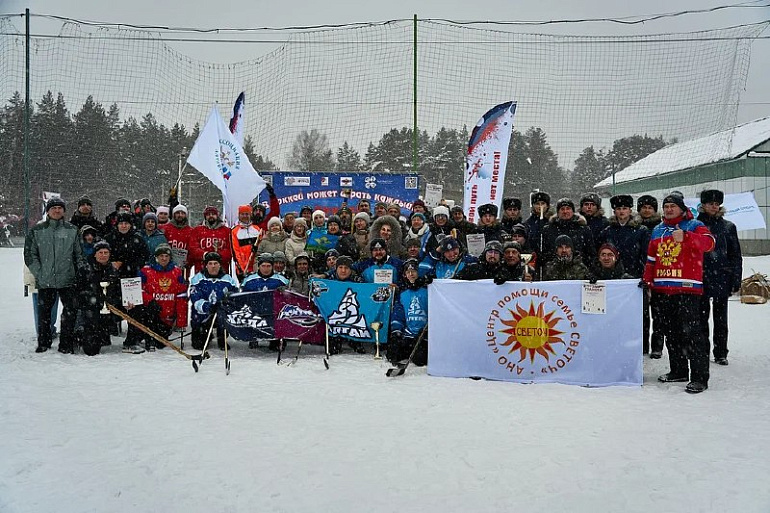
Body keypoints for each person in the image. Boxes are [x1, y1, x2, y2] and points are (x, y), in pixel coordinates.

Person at [642, 192, 715, 394]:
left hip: (687, 290)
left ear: (682, 209)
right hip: (662, 290)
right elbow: (651, 259)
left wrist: (687, 238)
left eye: (673, 206)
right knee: (671, 334)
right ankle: (679, 370)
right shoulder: (657, 230)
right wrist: (648, 279)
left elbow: (709, 243)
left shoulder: (694, 226)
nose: (669, 209)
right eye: (666, 206)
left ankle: (699, 377)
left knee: (693, 335)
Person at [24, 197, 84, 353]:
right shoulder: (37, 231)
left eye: (60, 208)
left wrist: (79, 271)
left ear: (64, 210)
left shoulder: (72, 230)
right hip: (46, 280)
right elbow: (30, 254)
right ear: (48, 211)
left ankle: (66, 343)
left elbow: (79, 254)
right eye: (53, 208)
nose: (57, 211)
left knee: (69, 313)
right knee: (44, 314)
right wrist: (40, 273)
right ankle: (44, 342)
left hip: (68, 279)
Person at [697, 189, 742, 366]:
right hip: (700, 277)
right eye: (710, 204)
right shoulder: (695, 225)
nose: (713, 207)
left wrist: (736, 277)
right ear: (703, 205)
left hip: (722, 276)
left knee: (721, 318)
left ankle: (721, 352)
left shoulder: (728, 227)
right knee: (700, 318)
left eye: (716, 204)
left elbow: (735, 255)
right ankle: (701, 350)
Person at [123, 243, 188, 353]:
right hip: (148, 313)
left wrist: (181, 322)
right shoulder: (146, 271)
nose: (164, 258)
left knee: (160, 344)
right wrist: (150, 300)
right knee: (139, 311)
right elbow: (137, 289)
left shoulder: (176, 272)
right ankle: (135, 339)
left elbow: (181, 296)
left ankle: (153, 337)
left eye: (166, 256)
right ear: (156, 257)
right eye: (161, 256)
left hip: (166, 318)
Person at [75, 240, 121, 355]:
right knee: (91, 350)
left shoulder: (113, 270)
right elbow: (78, 291)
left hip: (110, 307)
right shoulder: (85, 270)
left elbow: (118, 290)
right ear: (95, 254)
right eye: (100, 252)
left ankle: (132, 341)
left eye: (106, 252)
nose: (103, 255)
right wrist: (94, 299)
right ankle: (81, 335)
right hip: (91, 308)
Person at [189, 252, 238, 351]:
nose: (213, 266)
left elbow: (234, 297)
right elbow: (195, 298)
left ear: (220, 265)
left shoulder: (228, 280)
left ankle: (222, 337)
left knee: (223, 317)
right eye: (210, 264)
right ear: (206, 265)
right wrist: (207, 306)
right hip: (203, 314)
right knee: (198, 345)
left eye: (215, 263)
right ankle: (204, 334)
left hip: (221, 313)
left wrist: (225, 305)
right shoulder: (198, 279)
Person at [635, 194, 664, 358]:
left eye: (650, 207)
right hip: (642, 272)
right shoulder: (635, 226)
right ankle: (643, 344)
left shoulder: (661, 226)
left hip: (660, 271)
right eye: (644, 207)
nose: (646, 210)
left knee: (658, 313)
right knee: (643, 313)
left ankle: (657, 346)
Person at [389, 259, 430, 366]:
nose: (411, 274)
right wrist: (396, 330)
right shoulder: (403, 292)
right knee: (392, 354)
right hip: (409, 334)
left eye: (414, 271)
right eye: (408, 272)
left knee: (419, 359)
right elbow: (399, 312)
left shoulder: (428, 290)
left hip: (424, 334)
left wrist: (429, 329)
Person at [539, 198, 594, 270]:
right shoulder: (548, 230)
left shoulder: (583, 229)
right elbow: (544, 253)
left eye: (568, 208)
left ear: (573, 211)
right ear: (558, 212)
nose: (565, 211)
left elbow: (590, 253)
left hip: (579, 271)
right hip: (553, 271)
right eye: (562, 209)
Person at [105, 212, 150, 280]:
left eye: (126, 223)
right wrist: (111, 264)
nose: (123, 226)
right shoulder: (109, 239)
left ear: (130, 225)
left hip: (133, 276)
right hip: (113, 275)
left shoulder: (138, 239)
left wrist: (126, 265)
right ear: (117, 225)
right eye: (121, 223)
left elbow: (144, 256)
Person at [189, 206, 232, 274]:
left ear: (217, 216)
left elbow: (230, 249)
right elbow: (193, 248)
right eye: (208, 214)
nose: (211, 216)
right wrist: (205, 255)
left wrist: (219, 256)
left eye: (213, 214)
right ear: (205, 216)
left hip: (222, 270)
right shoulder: (197, 230)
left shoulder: (226, 231)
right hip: (201, 269)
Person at [232, 205, 265, 281]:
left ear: (250, 215)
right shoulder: (234, 231)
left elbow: (261, 246)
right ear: (239, 215)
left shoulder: (257, 229)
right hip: (243, 268)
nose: (244, 216)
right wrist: (242, 268)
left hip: (256, 266)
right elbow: (236, 251)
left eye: (246, 214)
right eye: (242, 214)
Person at [160, 204, 192, 274]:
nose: (180, 215)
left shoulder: (191, 231)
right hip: (166, 265)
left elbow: (192, 249)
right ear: (173, 215)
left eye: (182, 213)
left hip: (183, 267)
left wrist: (189, 261)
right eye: (177, 213)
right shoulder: (165, 228)